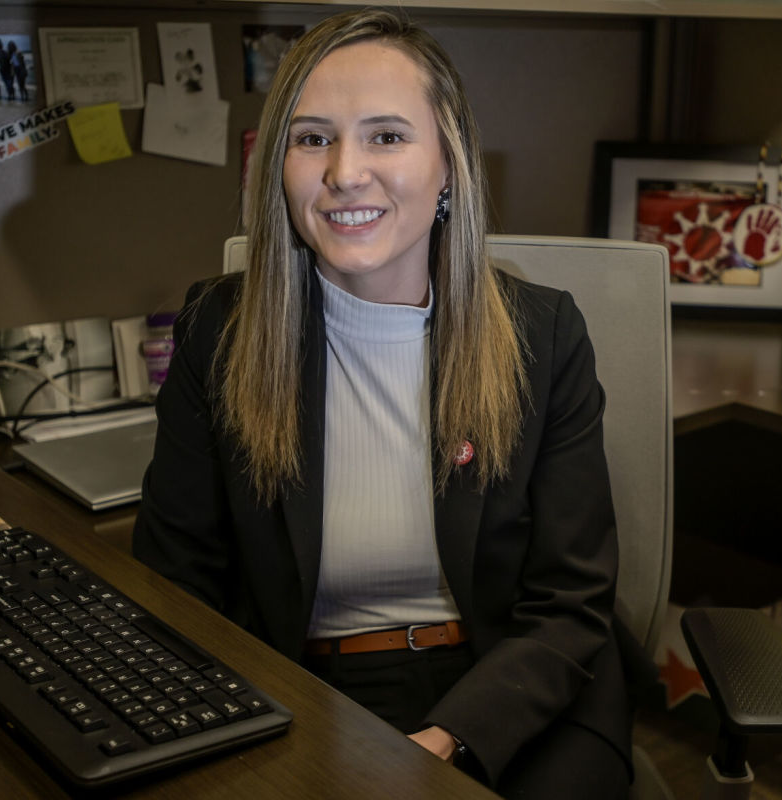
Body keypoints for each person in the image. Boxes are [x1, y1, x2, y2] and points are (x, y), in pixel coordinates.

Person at [133, 9, 631, 798]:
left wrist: (440, 742)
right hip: (300, 689)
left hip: (511, 690)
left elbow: (569, 603)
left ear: (449, 168)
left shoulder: (544, 337)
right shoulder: (216, 334)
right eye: (312, 138)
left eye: (387, 136)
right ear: (278, 169)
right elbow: (175, 581)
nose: (344, 171)